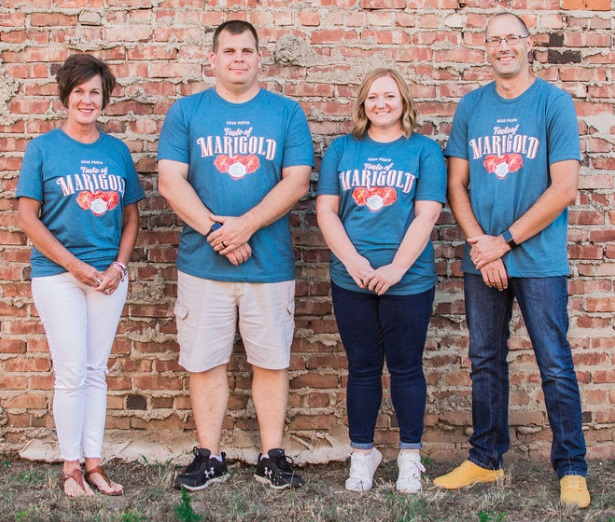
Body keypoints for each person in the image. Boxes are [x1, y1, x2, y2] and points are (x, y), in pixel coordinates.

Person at [432, 12, 590, 509]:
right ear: (485, 48)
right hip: (483, 257)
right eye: (494, 40)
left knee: (554, 363)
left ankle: (572, 467)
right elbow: (456, 184)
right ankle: (485, 459)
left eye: (511, 38)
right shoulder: (471, 106)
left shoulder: (552, 103)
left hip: (538, 259)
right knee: (484, 361)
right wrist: (481, 244)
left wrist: (503, 241)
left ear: (528, 44)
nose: (503, 46)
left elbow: (564, 189)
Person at [157, 20, 313, 491]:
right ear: (213, 59)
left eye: (247, 50)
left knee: (271, 361)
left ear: (260, 58)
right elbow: (170, 181)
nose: (238, 58)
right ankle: (209, 456)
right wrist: (216, 231)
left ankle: (271, 456)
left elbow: (297, 181)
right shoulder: (187, 111)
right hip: (203, 263)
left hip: (269, 264)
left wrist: (245, 226)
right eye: (229, 51)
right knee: (205, 362)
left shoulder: (286, 112)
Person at [16, 54, 145, 498]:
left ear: (104, 99)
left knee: (95, 372)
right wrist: (74, 266)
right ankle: (70, 466)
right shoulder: (43, 148)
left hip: (108, 278)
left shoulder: (116, 151)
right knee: (71, 372)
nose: (87, 100)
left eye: (95, 92)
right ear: (65, 97)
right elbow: (27, 217)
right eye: (79, 92)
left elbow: (131, 218)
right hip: (58, 276)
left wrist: (119, 267)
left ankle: (94, 463)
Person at [316, 68, 446, 493]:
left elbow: (427, 214)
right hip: (351, 278)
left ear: (403, 101)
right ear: (362, 104)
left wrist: (396, 269)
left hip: (408, 281)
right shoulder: (342, 149)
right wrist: (353, 261)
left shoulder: (424, 150)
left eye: (389, 96)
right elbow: (326, 211)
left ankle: (410, 457)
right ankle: (362, 455)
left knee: (407, 368)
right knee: (362, 369)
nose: (381, 104)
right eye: (372, 97)